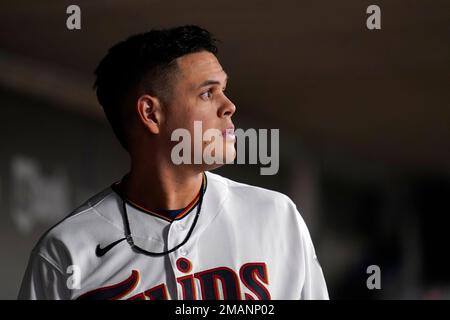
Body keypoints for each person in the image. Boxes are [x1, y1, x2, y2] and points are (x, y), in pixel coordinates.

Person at [18, 25, 328, 300]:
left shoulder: (275, 216)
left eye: (224, 90)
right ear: (151, 114)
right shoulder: (66, 252)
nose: (229, 106)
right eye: (208, 93)